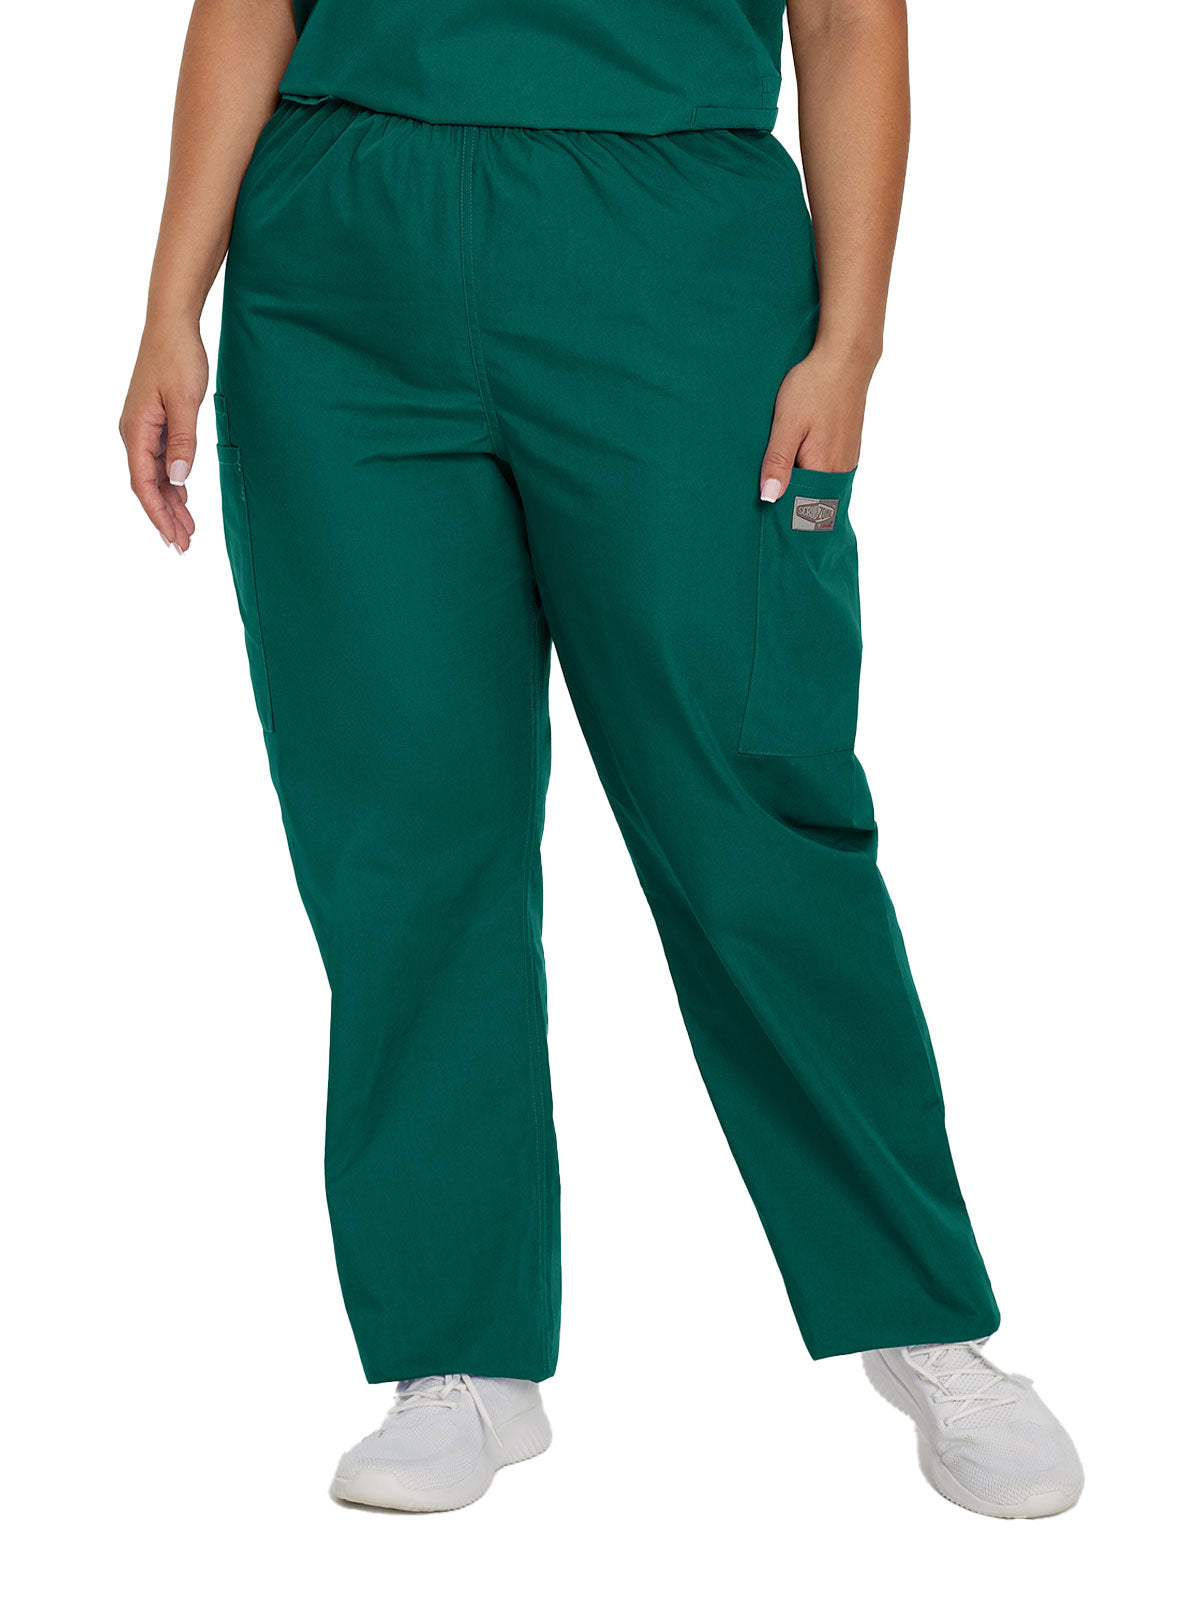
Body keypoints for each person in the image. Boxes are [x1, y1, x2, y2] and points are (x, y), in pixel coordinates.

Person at [120, 0, 1083, 1519]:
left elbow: (847, 18)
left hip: (670, 249)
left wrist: (852, 339)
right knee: (402, 828)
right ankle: (458, 1354)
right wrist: (172, 300)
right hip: (342, 268)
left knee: (750, 813)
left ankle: (925, 1323)